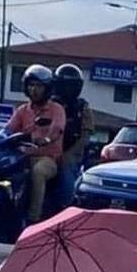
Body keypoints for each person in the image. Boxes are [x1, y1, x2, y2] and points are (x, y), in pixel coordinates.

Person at [4, 64, 66, 225]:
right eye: (31, 85)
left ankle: (33, 219)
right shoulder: (22, 110)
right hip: (22, 157)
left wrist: (45, 140)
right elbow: (8, 130)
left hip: (47, 159)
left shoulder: (56, 109)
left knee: (37, 172)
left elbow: (57, 128)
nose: (34, 89)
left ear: (47, 89)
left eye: (39, 86)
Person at [51, 63, 94, 209]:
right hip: (47, 153)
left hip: (71, 156)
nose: (67, 89)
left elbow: (85, 136)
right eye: (65, 85)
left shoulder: (83, 108)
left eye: (71, 85)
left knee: (66, 174)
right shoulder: (48, 105)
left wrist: (68, 155)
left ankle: (66, 208)